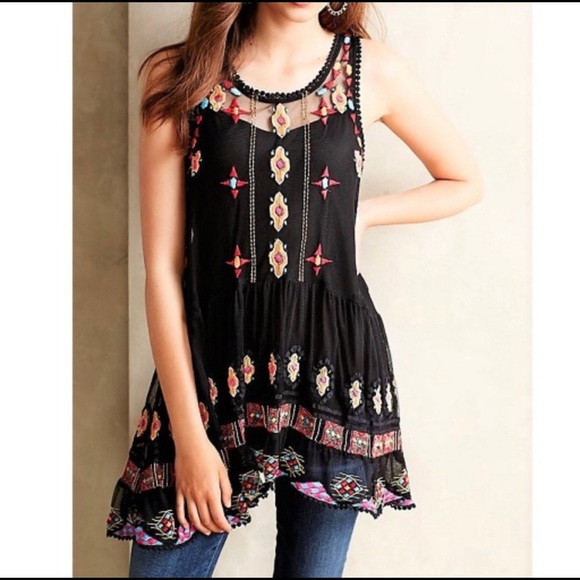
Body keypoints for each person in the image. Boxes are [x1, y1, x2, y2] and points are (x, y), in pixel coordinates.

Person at [106, 2, 483, 578]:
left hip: (335, 375)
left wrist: (364, 214)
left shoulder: (371, 70)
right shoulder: (180, 75)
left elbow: (464, 179)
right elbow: (161, 270)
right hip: (211, 380)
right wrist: (189, 437)